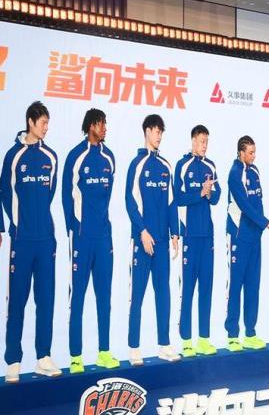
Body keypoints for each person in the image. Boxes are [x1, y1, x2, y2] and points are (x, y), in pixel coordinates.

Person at [0, 101, 61, 383]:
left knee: (46, 300)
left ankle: (43, 358)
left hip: (45, 240)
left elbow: (49, 194)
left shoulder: (51, 157)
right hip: (22, 240)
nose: (46, 127)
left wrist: (42, 227)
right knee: (17, 301)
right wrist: (10, 226)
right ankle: (13, 360)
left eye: (48, 123)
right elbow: (3, 192)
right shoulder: (13, 156)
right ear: (30, 122)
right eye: (43, 123)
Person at [62, 108, 119, 373]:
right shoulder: (76, 156)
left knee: (104, 297)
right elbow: (66, 196)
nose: (104, 128)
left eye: (105, 123)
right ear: (90, 126)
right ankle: (76, 357)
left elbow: (107, 197)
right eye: (100, 124)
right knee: (78, 297)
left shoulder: (109, 157)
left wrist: (102, 226)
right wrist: (74, 229)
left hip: (104, 237)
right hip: (82, 238)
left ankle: (104, 352)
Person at [126, 114, 180, 366]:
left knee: (163, 294)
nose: (159, 136)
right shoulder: (137, 164)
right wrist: (142, 231)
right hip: (142, 241)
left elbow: (172, 203)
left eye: (161, 132)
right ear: (147, 131)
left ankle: (164, 345)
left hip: (161, 242)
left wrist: (174, 233)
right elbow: (130, 201)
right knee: (137, 295)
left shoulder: (166, 166)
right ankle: (134, 347)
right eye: (156, 131)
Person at [225, 135, 269, 351]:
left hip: (254, 237)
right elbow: (245, 206)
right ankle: (232, 335)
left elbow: (258, 204)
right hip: (238, 236)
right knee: (235, 285)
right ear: (241, 152)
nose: (254, 156)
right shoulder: (234, 173)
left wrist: (263, 227)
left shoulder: (255, 171)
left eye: (255, 152)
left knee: (252, 285)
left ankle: (250, 333)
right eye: (250, 152)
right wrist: (267, 224)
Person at [175, 125, 221, 357]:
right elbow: (177, 197)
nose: (204, 145)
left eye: (207, 141)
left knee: (206, 288)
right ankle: (186, 341)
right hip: (190, 237)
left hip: (207, 237)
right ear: (193, 140)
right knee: (188, 289)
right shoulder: (182, 166)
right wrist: (199, 193)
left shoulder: (210, 166)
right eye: (201, 141)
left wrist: (210, 192)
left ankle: (204, 339)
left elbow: (217, 197)